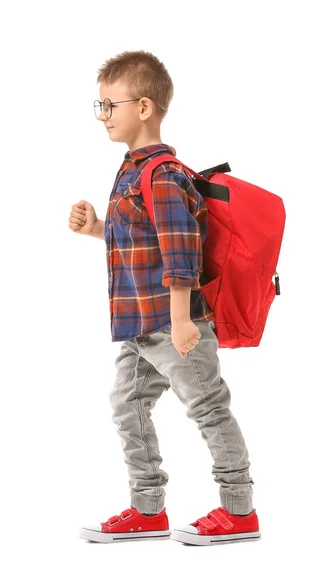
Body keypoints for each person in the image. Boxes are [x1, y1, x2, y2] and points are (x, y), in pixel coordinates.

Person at [69, 50, 260, 545]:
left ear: (145, 107)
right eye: (101, 106)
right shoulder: (131, 170)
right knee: (126, 406)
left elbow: (181, 253)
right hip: (139, 326)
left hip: (174, 324)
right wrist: (97, 229)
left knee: (208, 408)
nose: (103, 116)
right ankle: (147, 508)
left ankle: (239, 512)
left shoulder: (165, 175)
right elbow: (141, 243)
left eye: (111, 105)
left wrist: (181, 321)